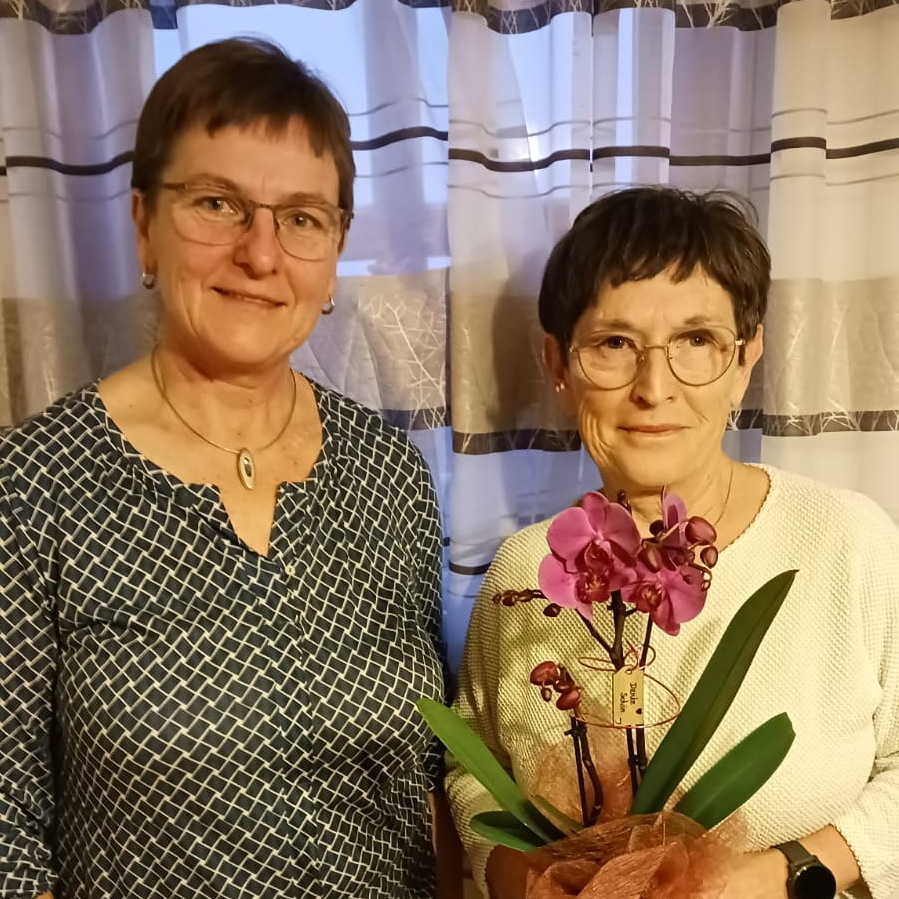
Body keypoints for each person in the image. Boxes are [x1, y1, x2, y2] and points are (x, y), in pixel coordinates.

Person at [0, 38, 454, 899]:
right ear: (144, 224)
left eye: (302, 218)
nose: (260, 253)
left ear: (334, 253)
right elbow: (5, 831)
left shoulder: (388, 473)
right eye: (217, 203)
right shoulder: (33, 485)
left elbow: (428, 775)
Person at [445, 187, 899, 899]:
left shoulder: (849, 542)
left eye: (696, 341)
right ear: (558, 364)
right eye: (613, 344)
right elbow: (474, 773)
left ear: (745, 360)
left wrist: (780, 874)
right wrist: (524, 881)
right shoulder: (526, 571)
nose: (654, 388)